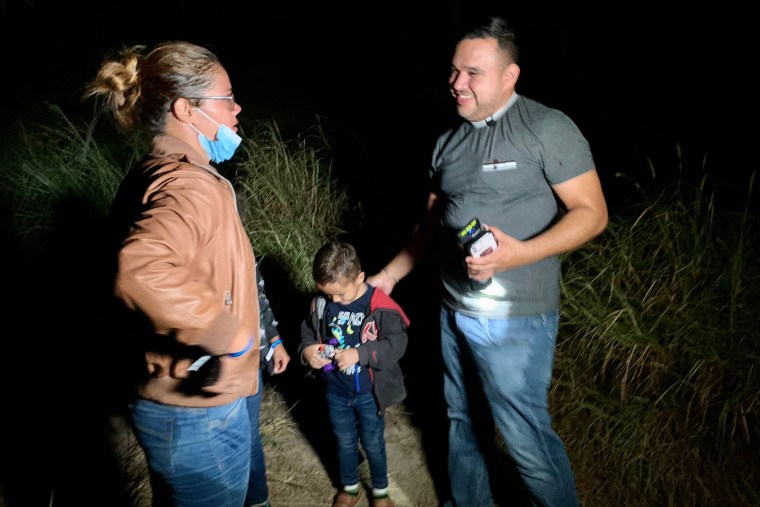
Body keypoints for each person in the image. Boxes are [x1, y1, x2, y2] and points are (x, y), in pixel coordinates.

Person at [367, 17, 608, 507]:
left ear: (509, 76)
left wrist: (520, 252)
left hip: (517, 318)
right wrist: (387, 278)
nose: (457, 83)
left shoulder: (546, 128)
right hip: (455, 310)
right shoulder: (448, 143)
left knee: (523, 438)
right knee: (462, 422)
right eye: (454, 71)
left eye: (473, 73)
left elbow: (593, 213)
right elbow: (430, 227)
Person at [85, 40, 288, 507]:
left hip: (174, 401)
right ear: (187, 110)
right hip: (196, 414)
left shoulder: (155, 170)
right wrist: (225, 332)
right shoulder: (188, 183)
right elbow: (139, 269)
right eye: (227, 97)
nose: (237, 108)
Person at [299, 242, 410, 507]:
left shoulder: (379, 306)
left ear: (360, 277)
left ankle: (381, 492)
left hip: (369, 394)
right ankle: (350, 488)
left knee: (373, 444)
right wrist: (307, 350)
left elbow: (397, 344)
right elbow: (307, 329)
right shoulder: (322, 303)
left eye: (341, 295)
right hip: (335, 390)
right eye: (328, 294)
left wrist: (360, 354)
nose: (335, 300)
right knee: (344, 441)